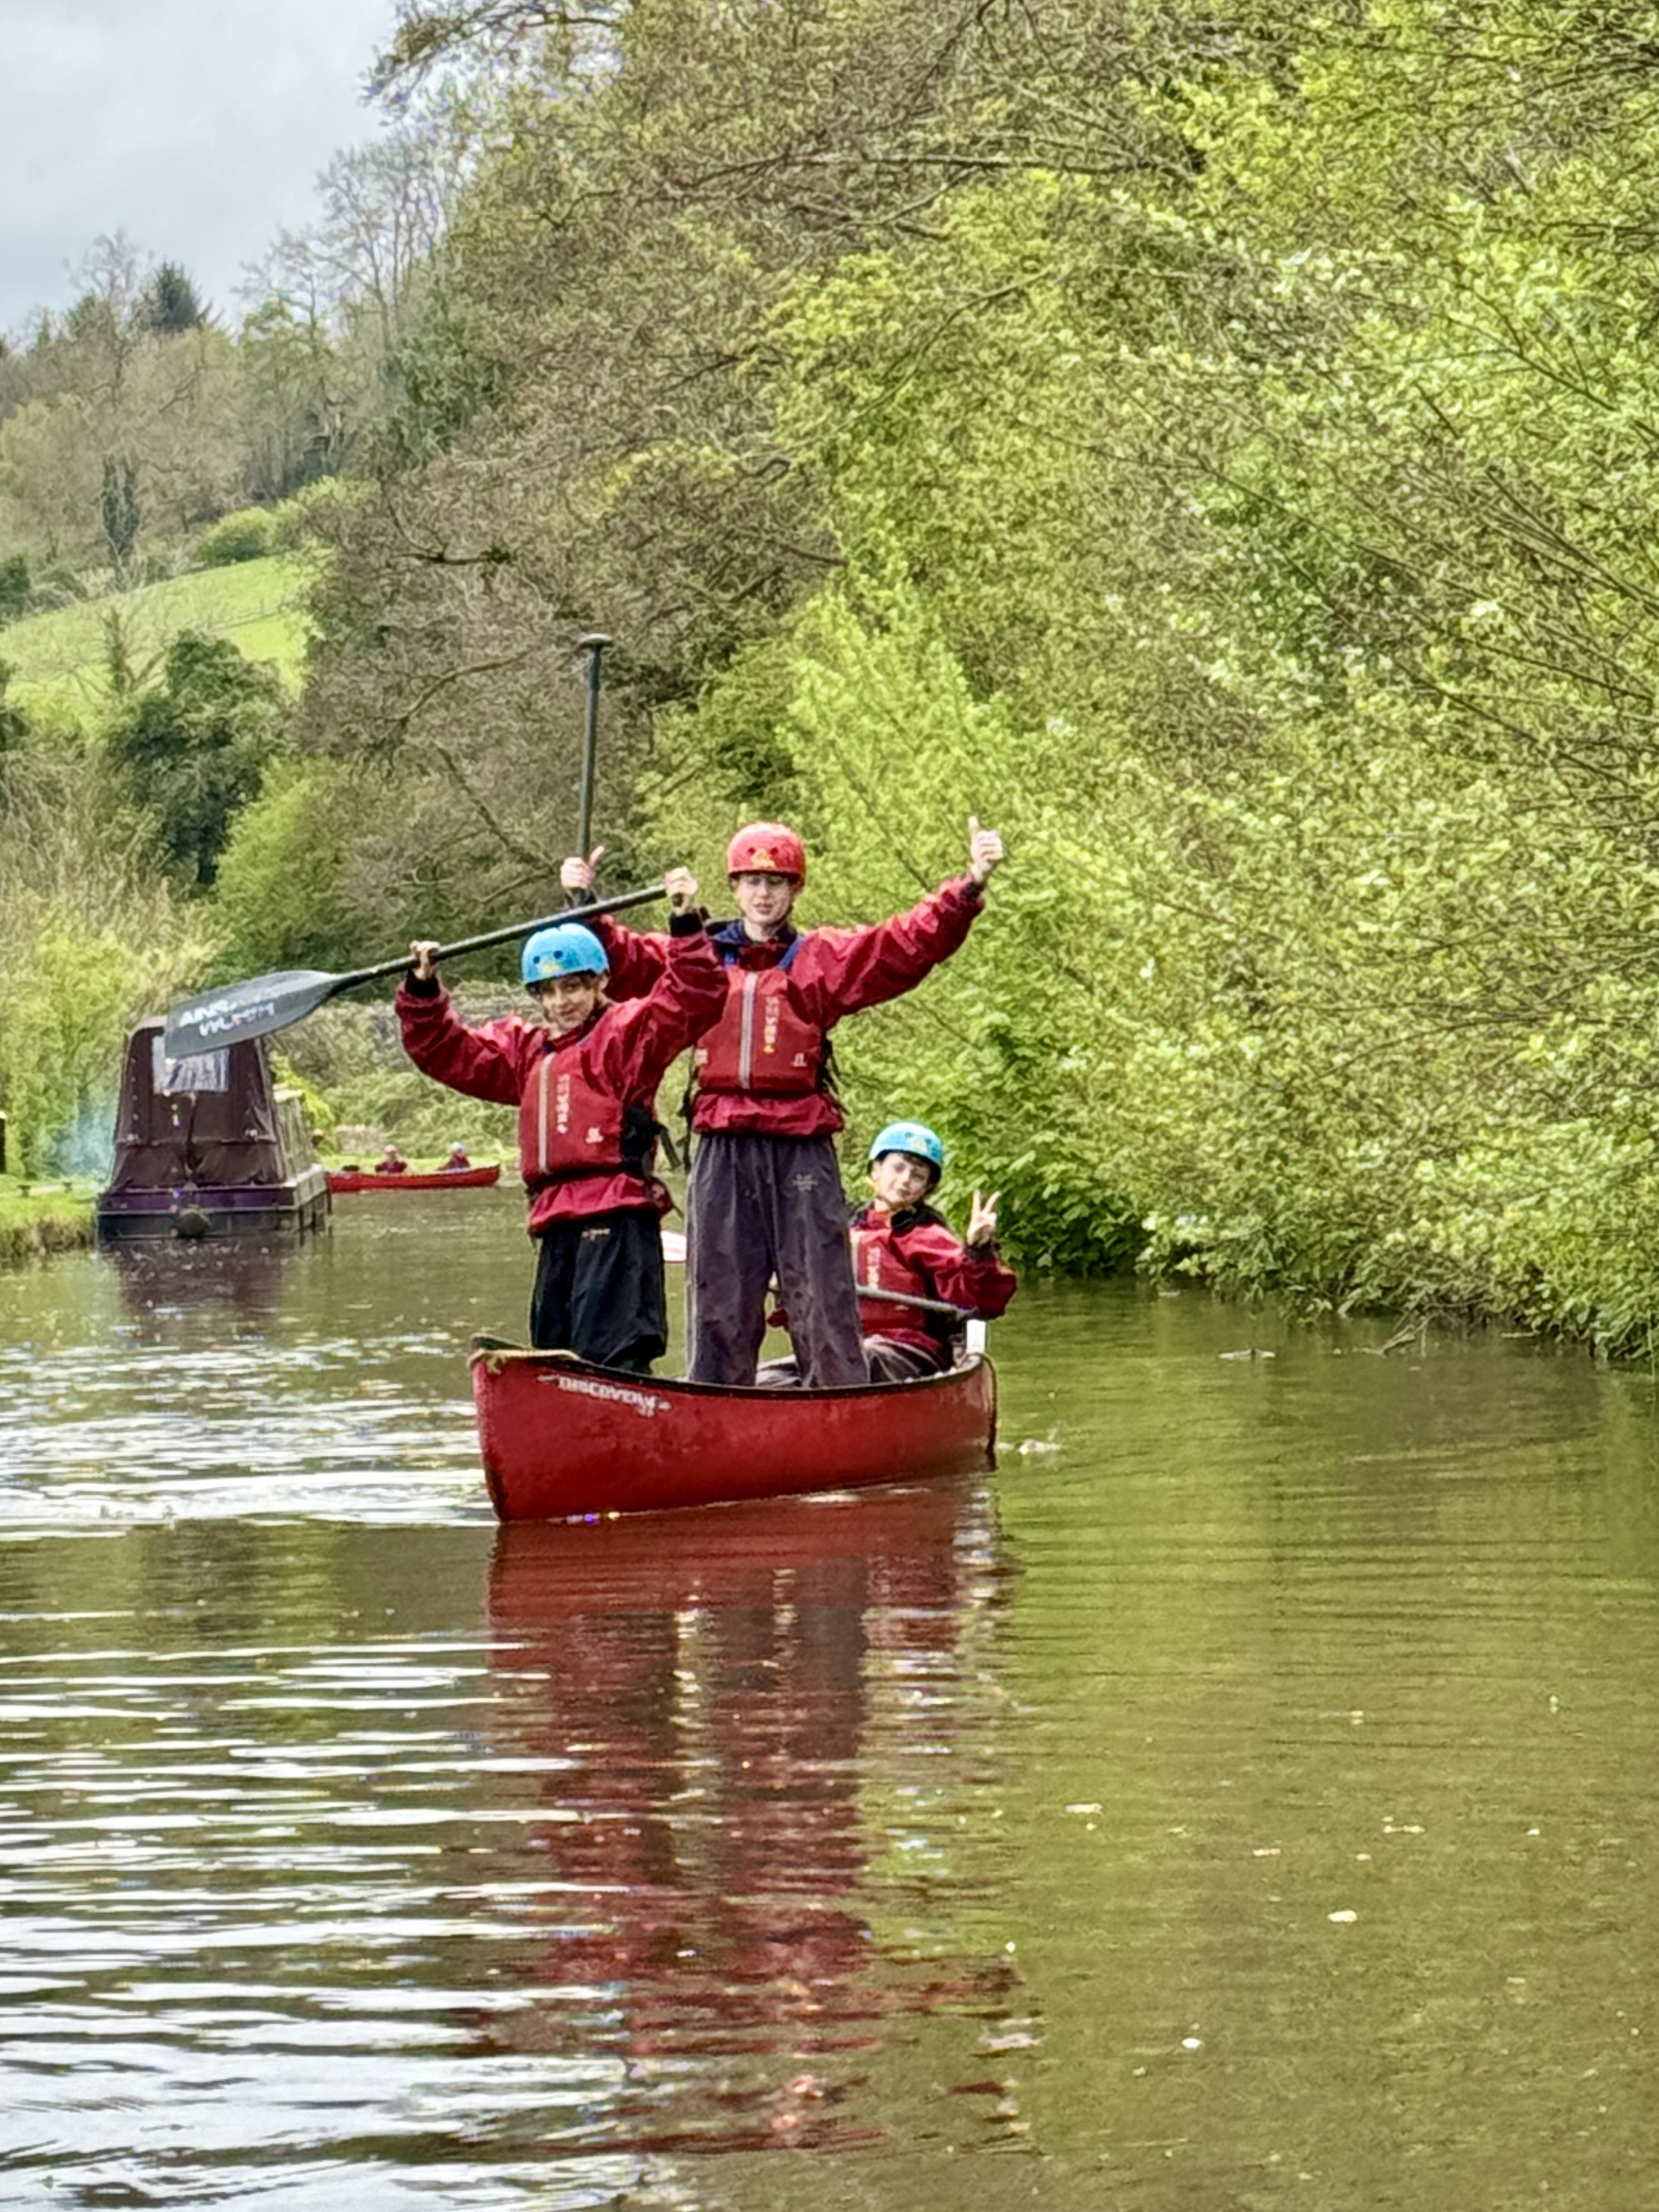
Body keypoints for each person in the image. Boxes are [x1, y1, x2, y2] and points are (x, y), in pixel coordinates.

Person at [561, 816, 1004, 1386]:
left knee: (820, 1288)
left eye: (776, 882)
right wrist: (586, 903)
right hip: (723, 1144)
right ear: (734, 887)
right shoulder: (695, 957)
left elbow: (904, 944)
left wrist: (968, 886)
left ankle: (840, 1397)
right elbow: (621, 960)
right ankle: (716, 1398)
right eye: (752, 881)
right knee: (719, 1290)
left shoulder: (821, 959)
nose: (763, 894)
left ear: (795, 890)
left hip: (800, 1146)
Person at [396, 872, 725, 1370]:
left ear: (600, 983)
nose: (560, 1002)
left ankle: (624, 1404)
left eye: (572, 987)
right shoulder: (526, 1054)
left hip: (617, 1216)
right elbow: (446, 1051)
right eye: (547, 991)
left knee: (613, 1353)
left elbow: (694, 996)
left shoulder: (629, 1035)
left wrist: (683, 923)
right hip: (554, 1221)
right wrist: (422, 991)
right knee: (556, 1349)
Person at [850, 1121, 1016, 1380]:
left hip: (912, 1350)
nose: (905, 1180)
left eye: (917, 1176)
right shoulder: (841, 1231)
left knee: (864, 1357)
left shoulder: (928, 1236)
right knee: (781, 1375)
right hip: (843, 1344)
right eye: (898, 1168)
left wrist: (978, 1251)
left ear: (927, 1188)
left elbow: (978, 1302)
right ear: (876, 1169)